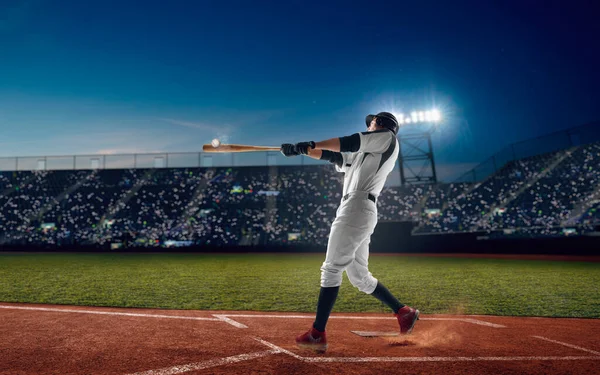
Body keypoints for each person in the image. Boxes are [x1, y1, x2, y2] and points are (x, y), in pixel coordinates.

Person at [280, 112, 419, 353]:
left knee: (331, 268)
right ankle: (403, 312)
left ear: (382, 124)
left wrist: (312, 143)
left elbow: (349, 141)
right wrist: (302, 150)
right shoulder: (365, 153)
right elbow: (333, 155)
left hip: (356, 207)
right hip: (358, 209)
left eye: (372, 122)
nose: (368, 125)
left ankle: (317, 334)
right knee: (359, 277)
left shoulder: (386, 138)